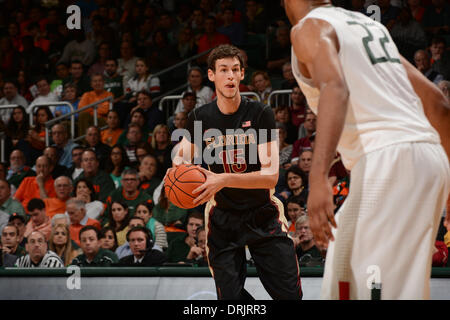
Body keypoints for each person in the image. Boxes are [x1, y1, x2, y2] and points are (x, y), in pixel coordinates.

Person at [285, 0, 450, 299]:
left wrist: (318, 177)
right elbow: (439, 105)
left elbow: (335, 88)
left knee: (381, 286)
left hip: (389, 159)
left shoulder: (309, 26)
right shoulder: (371, 28)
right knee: (343, 264)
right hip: (423, 155)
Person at [173, 44, 302, 299]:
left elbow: (270, 176)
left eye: (235, 70)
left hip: (262, 212)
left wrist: (223, 179)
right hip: (222, 217)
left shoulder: (260, 113)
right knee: (229, 300)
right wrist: (179, 167)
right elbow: (181, 155)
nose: (230, 76)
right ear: (211, 75)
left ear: (242, 74)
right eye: (223, 70)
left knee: (290, 297)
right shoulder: (200, 116)